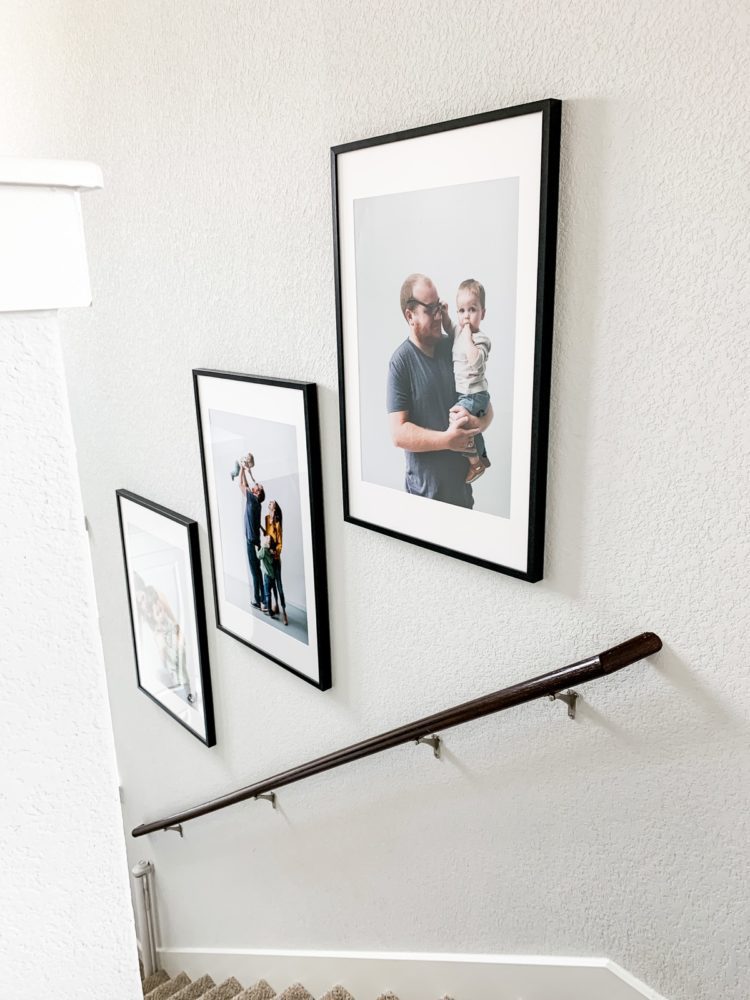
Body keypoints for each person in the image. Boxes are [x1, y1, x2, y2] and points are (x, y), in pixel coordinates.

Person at [387, 273, 493, 508]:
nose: (438, 315)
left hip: (463, 495)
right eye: (429, 309)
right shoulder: (401, 362)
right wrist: (448, 440)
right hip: (424, 499)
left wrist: (475, 425)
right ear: (410, 315)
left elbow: (488, 409)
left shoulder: (454, 346)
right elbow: (398, 434)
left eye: (439, 306)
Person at [441, 278, 492, 484]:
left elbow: (476, 361)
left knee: (457, 419)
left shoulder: (481, 339)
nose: (466, 316)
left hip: (475, 394)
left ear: (483, 313)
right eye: (461, 311)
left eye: (472, 309)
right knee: (470, 426)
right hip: (465, 393)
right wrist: (444, 314)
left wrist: (469, 334)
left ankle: (474, 463)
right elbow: (447, 326)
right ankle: (483, 457)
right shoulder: (458, 332)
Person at [239, 465, 266, 610]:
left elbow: (241, 485)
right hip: (256, 541)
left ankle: (257, 600)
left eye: (258, 487)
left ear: (257, 493)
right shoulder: (257, 503)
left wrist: (242, 469)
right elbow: (247, 485)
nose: (256, 486)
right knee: (258, 571)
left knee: (255, 572)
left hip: (251, 541)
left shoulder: (252, 500)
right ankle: (263, 598)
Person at [263, 500, 288, 626]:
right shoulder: (267, 519)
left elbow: (280, 543)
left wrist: (275, 553)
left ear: (275, 509)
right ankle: (276, 606)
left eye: (272, 503)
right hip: (269, 559)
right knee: (271, 586)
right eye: (269, 503)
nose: (270, 503)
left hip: (276, 560)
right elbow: (267, 536)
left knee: (279, 586)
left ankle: (284, 612)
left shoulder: (278, 524)